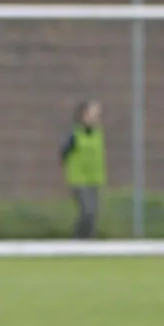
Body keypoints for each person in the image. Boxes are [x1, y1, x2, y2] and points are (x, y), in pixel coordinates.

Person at [60, 99, 105, 240]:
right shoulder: (75, 135)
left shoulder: (98, 134)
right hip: (79, 180)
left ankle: (89, 241)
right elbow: (64, 154)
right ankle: (78, 238)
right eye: (92, 114)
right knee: (87, 211)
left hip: (95, 179)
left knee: (93, 214)